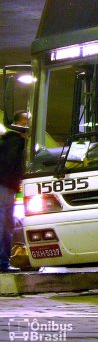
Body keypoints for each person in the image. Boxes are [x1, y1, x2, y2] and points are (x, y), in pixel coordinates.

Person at [0, 111, 29, 272]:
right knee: (4, 225)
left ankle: (3, 262)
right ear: (18, 122)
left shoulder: (10, 140)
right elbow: (10, 165)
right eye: (25, 120)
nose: (28, 124)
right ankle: (2, 263)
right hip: (5, 187)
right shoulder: (15, 141)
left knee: (6, 225)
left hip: (7, 186)